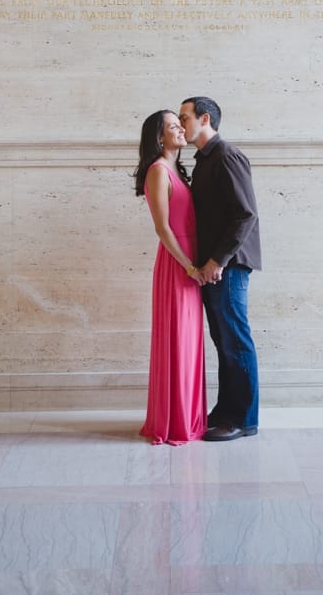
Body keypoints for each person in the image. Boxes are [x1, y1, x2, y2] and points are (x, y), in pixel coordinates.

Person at [178, 96, 262, 442]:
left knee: (235, 340)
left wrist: (217, 261)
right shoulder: (205, 161)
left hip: (228, 266)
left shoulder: (227, 155)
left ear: (205, 118)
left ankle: (243, 419)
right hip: (216, 267)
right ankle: (227, 412)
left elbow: (245, 214)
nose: (181, 125)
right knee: (224, 340)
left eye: (184, 118)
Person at [133, 109, 206, 446]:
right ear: (159, 137)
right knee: (177, 341)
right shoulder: (158, 171)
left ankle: (188, 417)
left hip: (189, 264)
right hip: (177, 264)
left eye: (181, 124)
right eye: (173, 126)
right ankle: (173, 421)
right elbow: (163, 229)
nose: (180, 129)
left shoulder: (177, 170)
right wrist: (189, 266)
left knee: (189, 342)